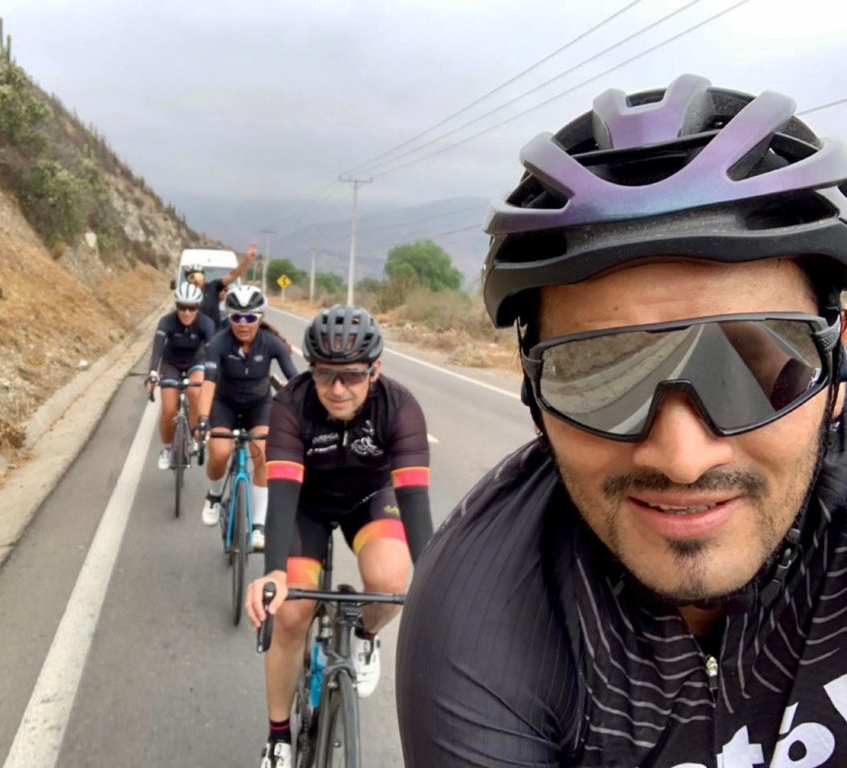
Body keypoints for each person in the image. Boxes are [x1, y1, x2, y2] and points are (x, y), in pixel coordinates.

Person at [395, 74, 847, 767]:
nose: (682, 457)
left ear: (837, 364)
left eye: (752, 366)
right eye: (601, 374)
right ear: (534, 393)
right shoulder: (478, 613)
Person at [245, 305, 434, 768]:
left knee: (393, 583)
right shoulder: (291, 404)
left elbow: (415, 505)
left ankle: (365, 633)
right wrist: (272, 572)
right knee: (290, 614)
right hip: (306, 507)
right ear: (311, 369)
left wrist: (435, 582)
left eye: (350, 376)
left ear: (375, 370)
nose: (336, 389)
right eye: (325, 374)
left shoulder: (400, 407)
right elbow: (284, 495)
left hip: (368, 501)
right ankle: (278, 736)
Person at [199, 285, 298, 550]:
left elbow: (296, 381)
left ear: (260, 318)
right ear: (229, 317)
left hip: (258, 405)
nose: (244, 324)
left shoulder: (272, 343)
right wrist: (202, 419)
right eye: (237, 317)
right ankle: (214, 493)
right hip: (225, 404)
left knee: (263, 452)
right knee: (219, 451)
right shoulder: (218, 343)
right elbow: (208, 384)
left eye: (251, 317)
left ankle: (258, 526)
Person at [145, 282, 215, 469]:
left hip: (196, 362)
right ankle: (167, 448)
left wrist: (214, 378)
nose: (186, 312)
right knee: (168, 408)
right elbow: (157, 349)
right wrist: (152, 374)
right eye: (181, 307)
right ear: (176, 306)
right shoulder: (166, 321)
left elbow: (211, 354)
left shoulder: (206, 324)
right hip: (171, 363)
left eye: (191, 307)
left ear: (198, 307)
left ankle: (192, 436)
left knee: (194, 392)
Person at [187, 244, 258, 328]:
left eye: (198, 276)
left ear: (204, 278)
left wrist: (246, 260)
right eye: (191, 277)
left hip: (215, 333)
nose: (195, 280)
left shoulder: (213, 287)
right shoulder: (185, 294)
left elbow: (232, 275)